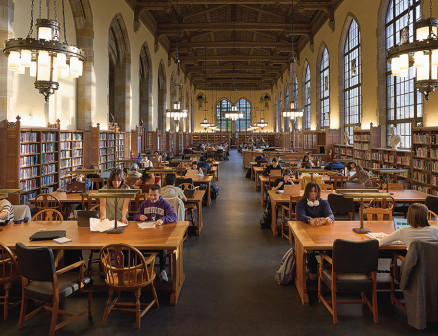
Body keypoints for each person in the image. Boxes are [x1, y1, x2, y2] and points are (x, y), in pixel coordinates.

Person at [134, 184, 177, 282]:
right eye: (150, 195)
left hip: (159, 235)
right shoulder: (144, 204)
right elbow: (136, 215)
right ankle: (139, 269)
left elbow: (174, 216)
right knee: (135, 246)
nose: (152, 197)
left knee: (162, 248)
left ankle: (162, 270)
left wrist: (163, 219)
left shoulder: (165, 204)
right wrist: (139, 217)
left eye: (155, 195)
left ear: (159, 194)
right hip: (145, 234)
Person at [296, 182, 335, 277]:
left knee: (330, 245)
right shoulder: (301, 203)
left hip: (322, 232)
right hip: (306, 232)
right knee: (310, 248)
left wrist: (328, 219)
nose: (313, 193)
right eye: (311, 191)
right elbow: (300, 216)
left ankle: (328, 268)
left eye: (315, 191)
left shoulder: (324, 203)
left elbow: (330, 215)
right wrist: (310, 220)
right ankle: (312, 269)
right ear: (307, 193)